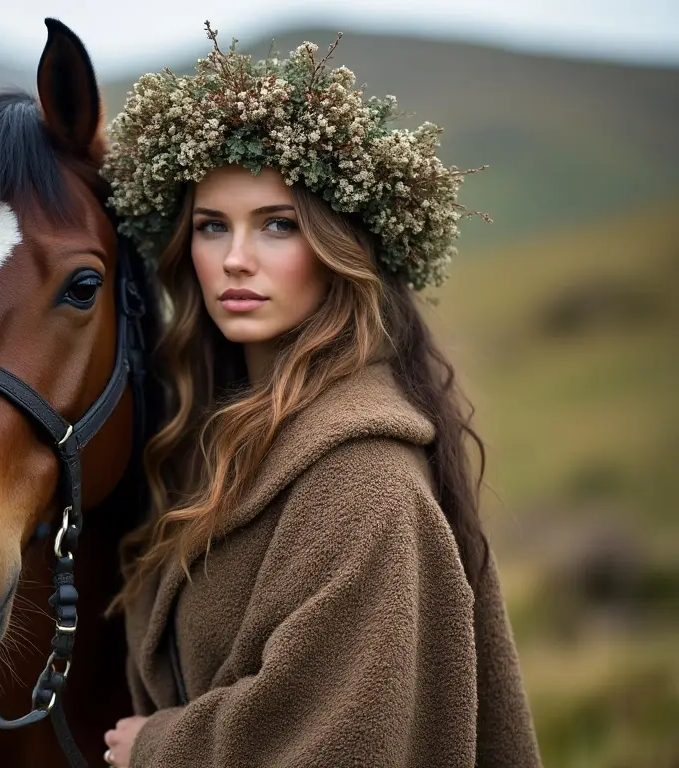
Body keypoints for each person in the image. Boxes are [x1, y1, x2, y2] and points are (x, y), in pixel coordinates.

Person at [98, 23, 542, 767]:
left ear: (339, 246)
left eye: (277, 225)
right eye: (212, 227)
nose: (235, 260)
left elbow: (344, 735)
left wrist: (164, 746)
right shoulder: (208, 437)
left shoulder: (363, 480)